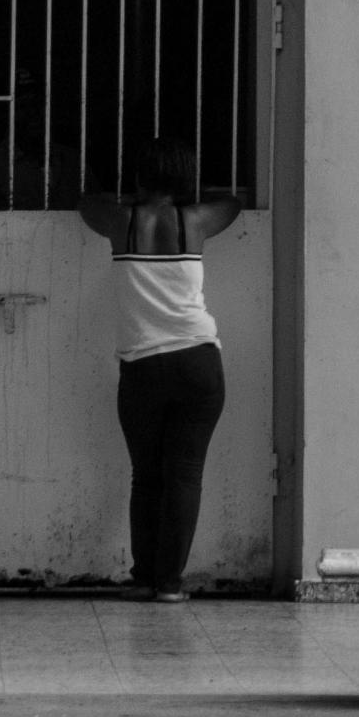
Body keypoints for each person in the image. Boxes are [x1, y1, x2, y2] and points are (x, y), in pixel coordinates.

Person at [77, 137, 241, 602]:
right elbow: (234, 201)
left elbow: (85, 202)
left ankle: (145, 575)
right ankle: (170, 585)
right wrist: (191, 192)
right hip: (199, 362)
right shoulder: (196, 221)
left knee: (146, 475)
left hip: (143, 368)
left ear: (138, 176)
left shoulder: (121, 221)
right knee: (185, 474)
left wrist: (130, 197)